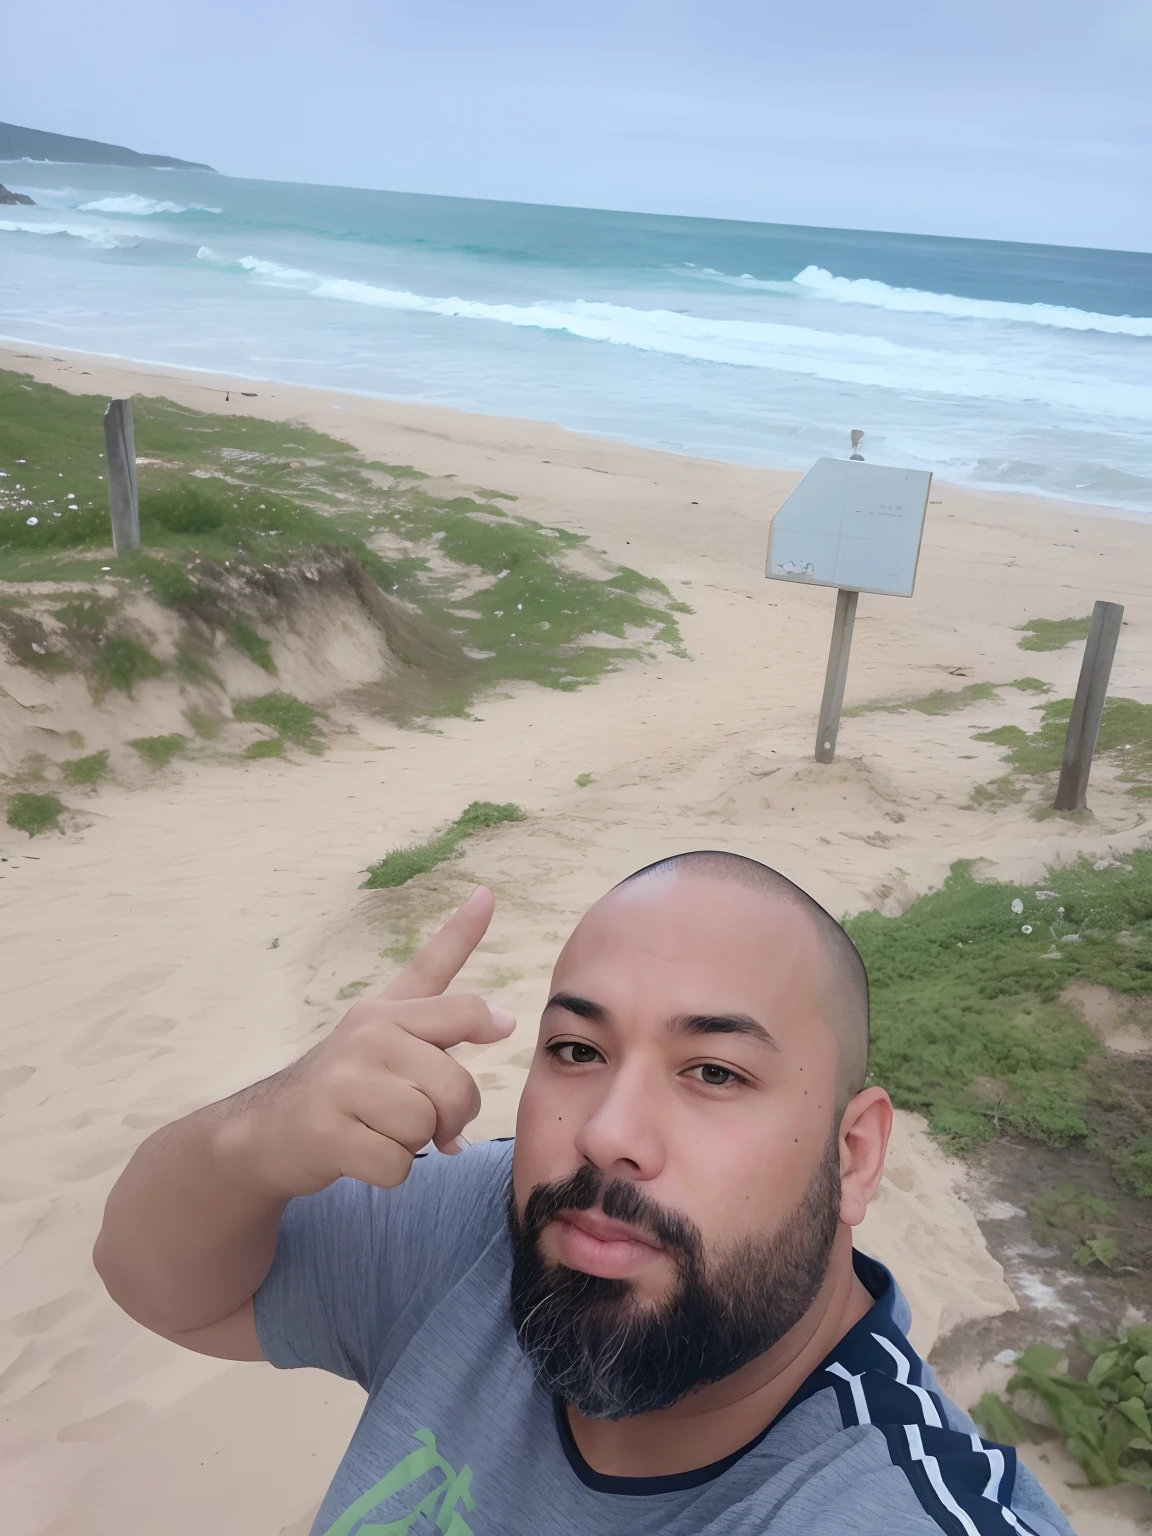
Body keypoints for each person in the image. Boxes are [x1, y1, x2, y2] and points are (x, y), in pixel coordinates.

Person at [94, 852, 1074, 1536]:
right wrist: (250, 1140)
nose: (609, 1132)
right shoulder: (488, 1227)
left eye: (714, 1072)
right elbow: (160, 1283)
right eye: (576, 1050)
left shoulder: (888, 1506)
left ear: (854, 1155)